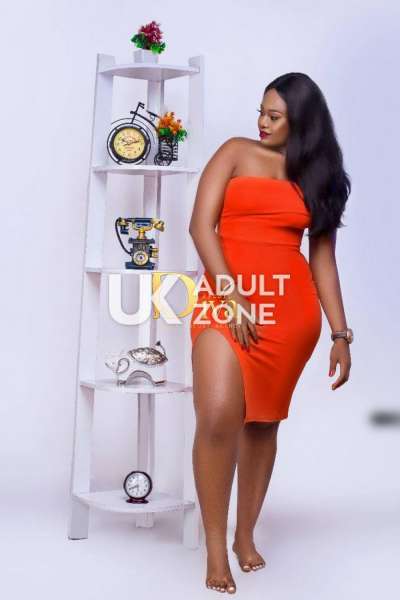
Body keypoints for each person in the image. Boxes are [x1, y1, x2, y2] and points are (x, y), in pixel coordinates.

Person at [188, 72, 353, 594]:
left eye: (274, 116)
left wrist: (341, 334)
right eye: (261, 111)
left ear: (301, 122)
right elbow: (200, 226)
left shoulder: (319, 177)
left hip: (289, 313)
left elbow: (322, 260)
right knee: (218, 413)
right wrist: (231, 294)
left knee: (262, 423)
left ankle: (245, 534)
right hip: (226, 299)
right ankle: (216, 547)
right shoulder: (235, 152)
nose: (261, 122)